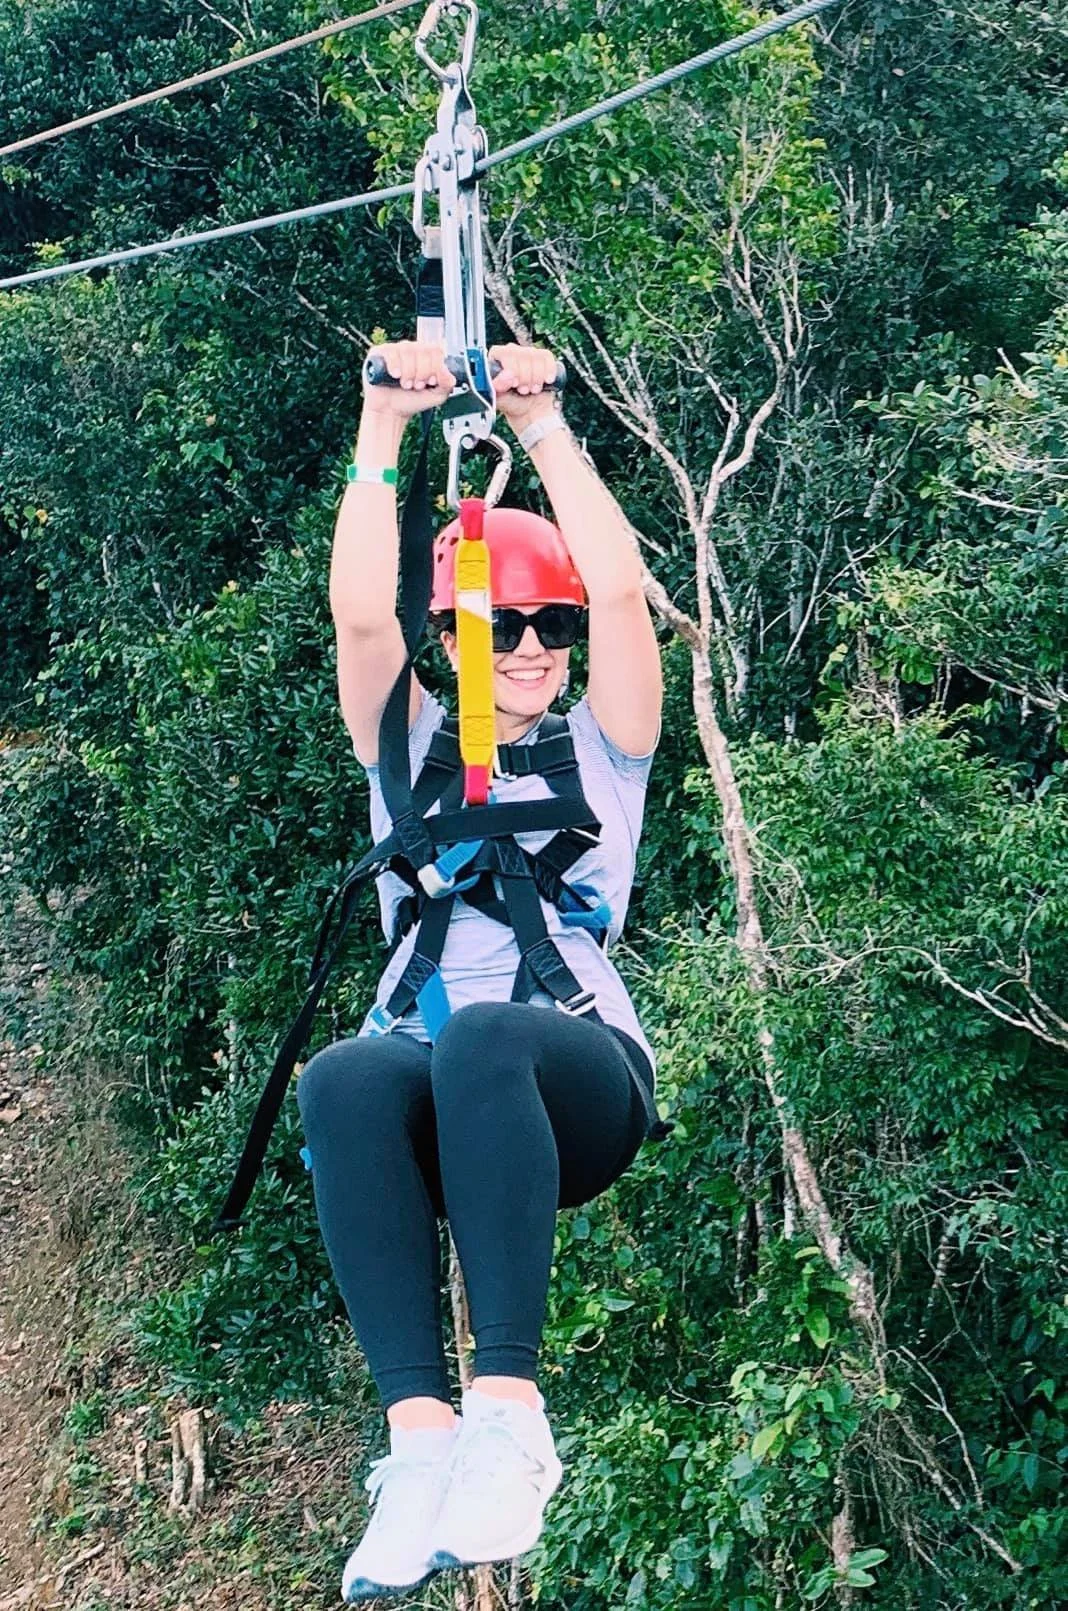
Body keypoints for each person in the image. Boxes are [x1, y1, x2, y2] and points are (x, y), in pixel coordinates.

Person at [296, 339, 664, 1603]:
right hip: (440, 1105)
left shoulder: (601, 750)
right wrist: (382, 429)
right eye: (504, 627)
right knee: (345, 1076)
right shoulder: (405, 747)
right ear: (454, 638)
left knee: (483, 1036)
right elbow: (361, 617)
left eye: (549, 627)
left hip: (573, 1082)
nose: (535, 649)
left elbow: (623, 599)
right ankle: (422, 1444)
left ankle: (510, 1415)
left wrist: (543, 425)